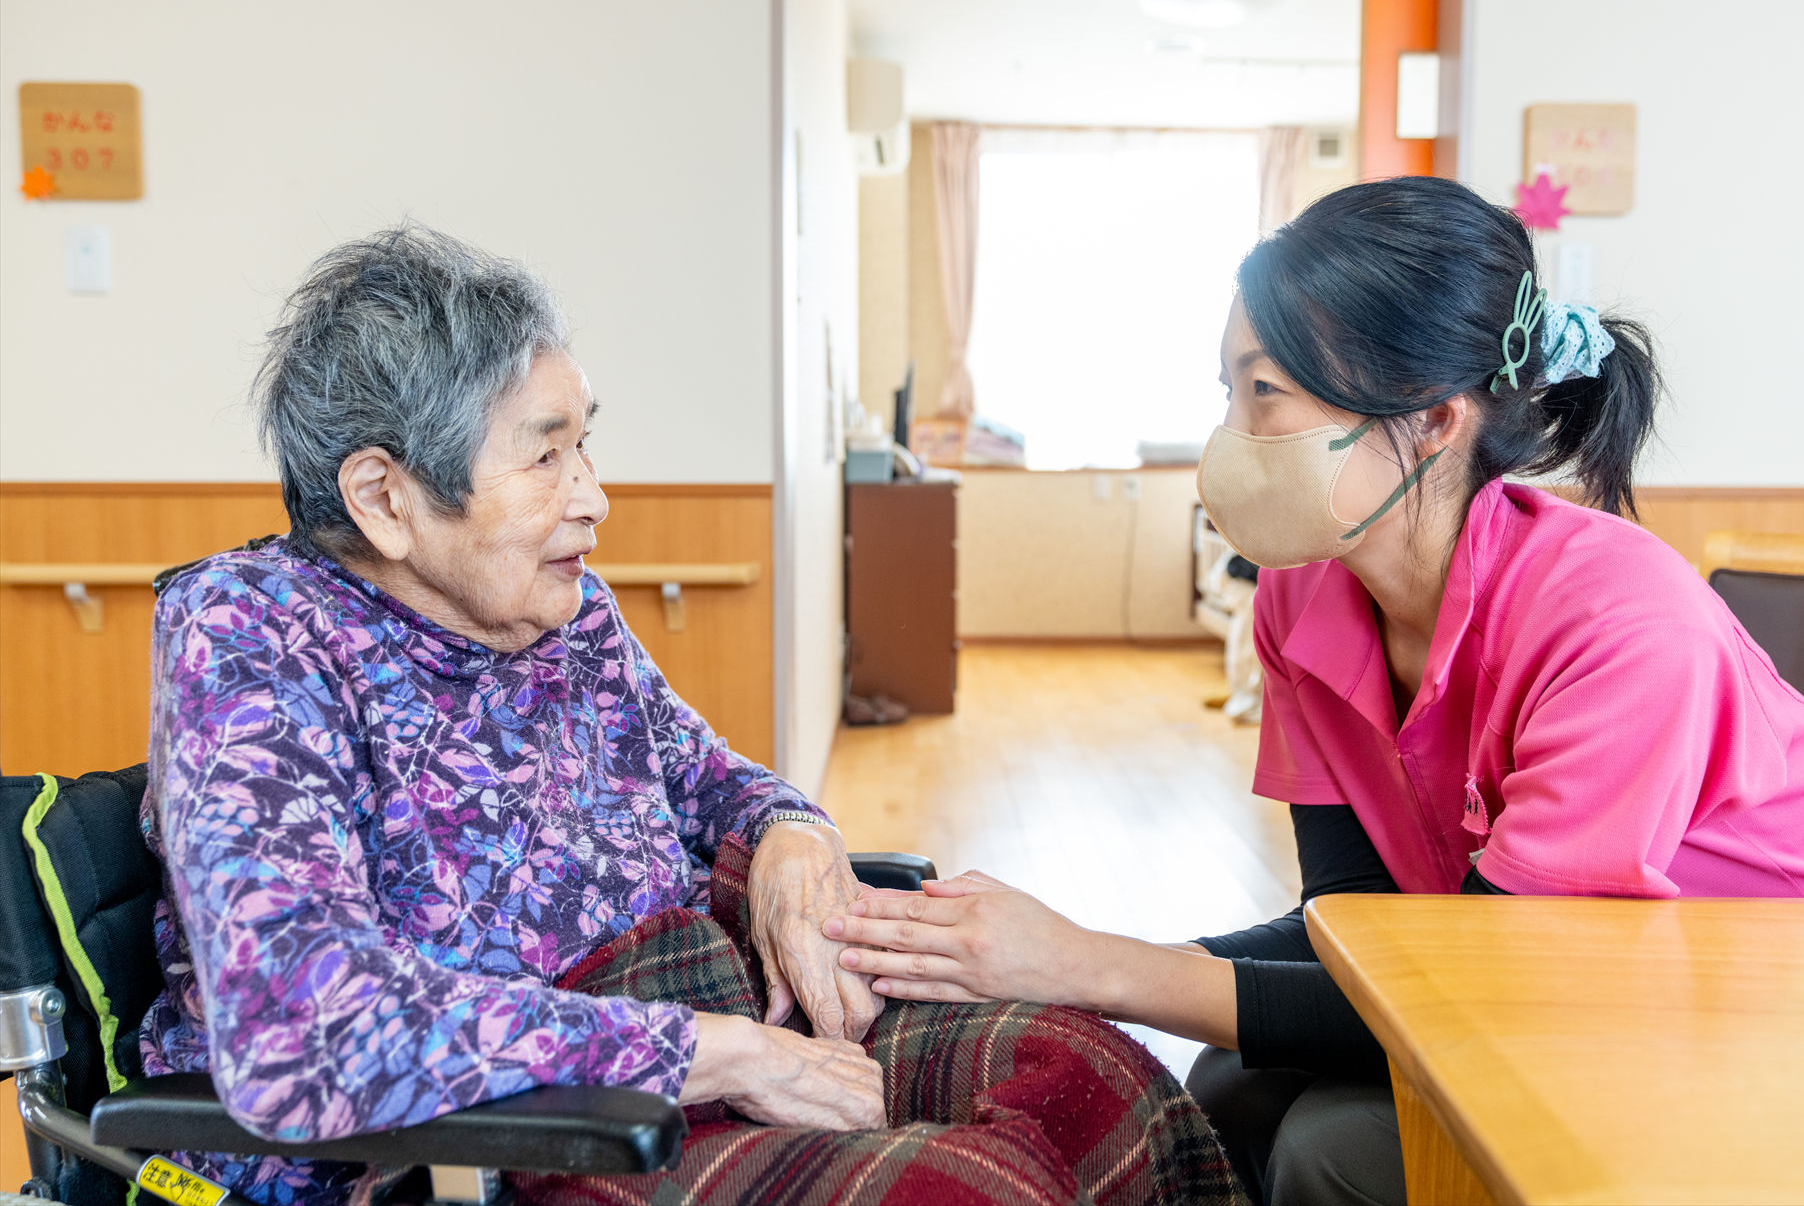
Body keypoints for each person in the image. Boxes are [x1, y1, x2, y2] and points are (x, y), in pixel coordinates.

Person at [820, 177, 1804, 1206]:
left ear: (1436, 419)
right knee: (1231, 1085)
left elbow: (1483, 985)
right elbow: (1357, 925)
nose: (1232, 436)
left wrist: (1086, 964)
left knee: (1334, 1150)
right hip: (1560, 983)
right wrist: (1038, 952)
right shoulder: (1303, 601)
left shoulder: (1619, 626)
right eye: (1228, 390)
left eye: (1268, 393)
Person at [142, 226, 1241, 1205]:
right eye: (544, 453)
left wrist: (790, 836)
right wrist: (712, 1056)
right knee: (961, 1189)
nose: (593, 495)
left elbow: (714, 780)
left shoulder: (559, 611)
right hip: (489, 1136)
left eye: (585, 443)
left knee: (1087, 1069)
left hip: (693, 1003)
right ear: (385, 498)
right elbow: (305, 1029)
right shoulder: (250, 637)